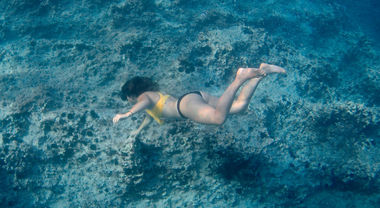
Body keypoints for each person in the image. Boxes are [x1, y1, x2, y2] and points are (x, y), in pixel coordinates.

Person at [113, 63, 286, 135]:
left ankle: (240, 77)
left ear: (131, 95)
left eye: (127, 99)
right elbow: (148, 117)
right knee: (239, 107)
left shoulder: (144, 98)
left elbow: (142, 104)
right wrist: (137, 132)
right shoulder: (151, 99)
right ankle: (261, 73)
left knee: (219, 118)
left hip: (186, 107)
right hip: (194, 98)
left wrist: (126, 114)